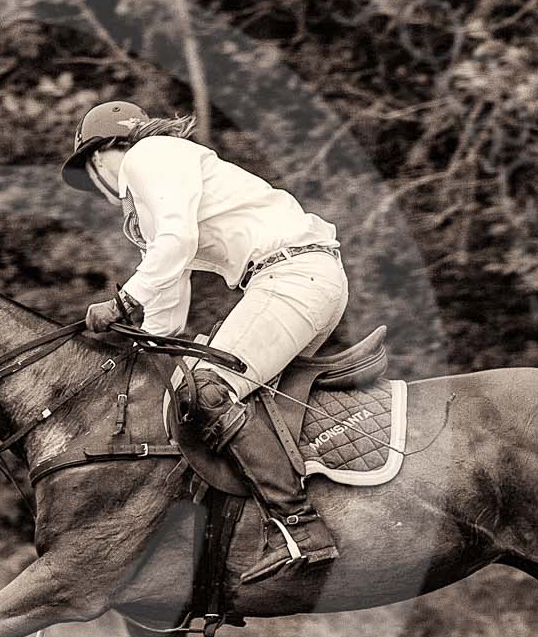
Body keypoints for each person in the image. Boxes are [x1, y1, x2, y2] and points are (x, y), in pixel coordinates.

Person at [62, 100, 347, 581]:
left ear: (104, 152)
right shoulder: (169, 167)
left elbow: (176, 243)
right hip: (305, 278)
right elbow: (172, 288)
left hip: (291, 276)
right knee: (224, 398)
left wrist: (123, 302)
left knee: (208, 389)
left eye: (91, 170)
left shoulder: (146, 157)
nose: (100, 187)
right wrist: (143, 343)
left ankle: (299, 524)